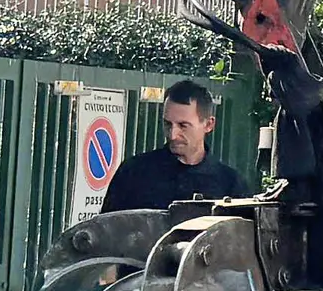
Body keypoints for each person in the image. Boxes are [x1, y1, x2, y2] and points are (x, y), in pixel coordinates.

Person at [96, 77, 249, 219]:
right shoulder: (133, 173)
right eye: (168, 124)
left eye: (183, 126)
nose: (173, 134)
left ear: (208, 125)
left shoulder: (230, 185)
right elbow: (107, 234)